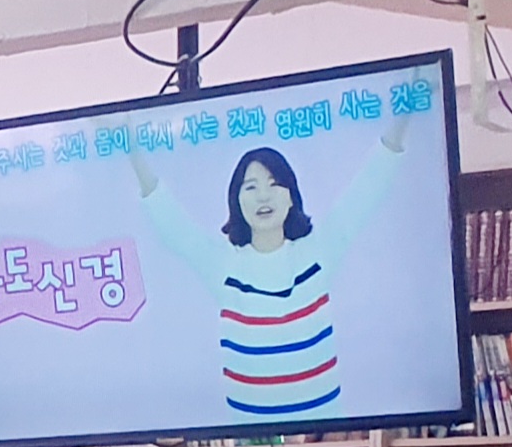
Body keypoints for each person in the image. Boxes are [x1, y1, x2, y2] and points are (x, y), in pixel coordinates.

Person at [132, 119, 409, 422]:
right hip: (249, 439)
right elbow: (171, 222)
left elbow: (368, 186)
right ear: (237, 201)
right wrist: (128, 142)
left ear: (291, 196)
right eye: (251, 187)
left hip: (326, 436)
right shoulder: (224, 266)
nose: (263, 196)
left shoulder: (317, 252)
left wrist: (406, 110)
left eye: (274, 184)